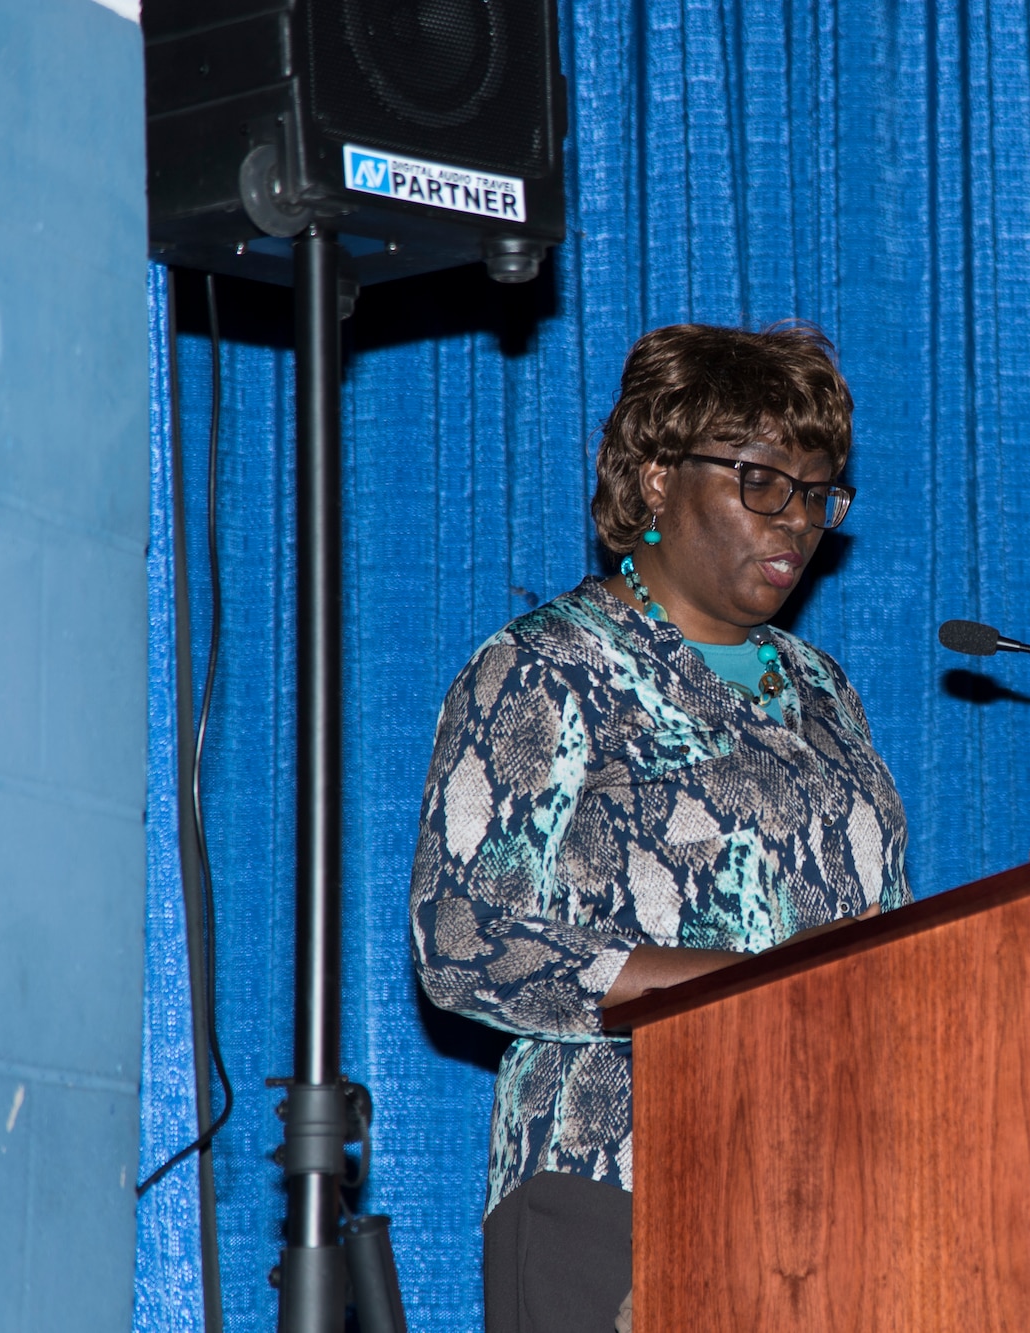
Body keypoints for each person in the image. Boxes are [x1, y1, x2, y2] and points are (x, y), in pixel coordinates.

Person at [409, 322, 911, 1333]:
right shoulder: (547, 667)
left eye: (817, 493)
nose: (797, 520)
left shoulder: (824, 695)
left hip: (829, 1196)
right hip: (616, 1184)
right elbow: (459, 941)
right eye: (761, 480)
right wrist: (743, 985)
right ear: (651, 480)